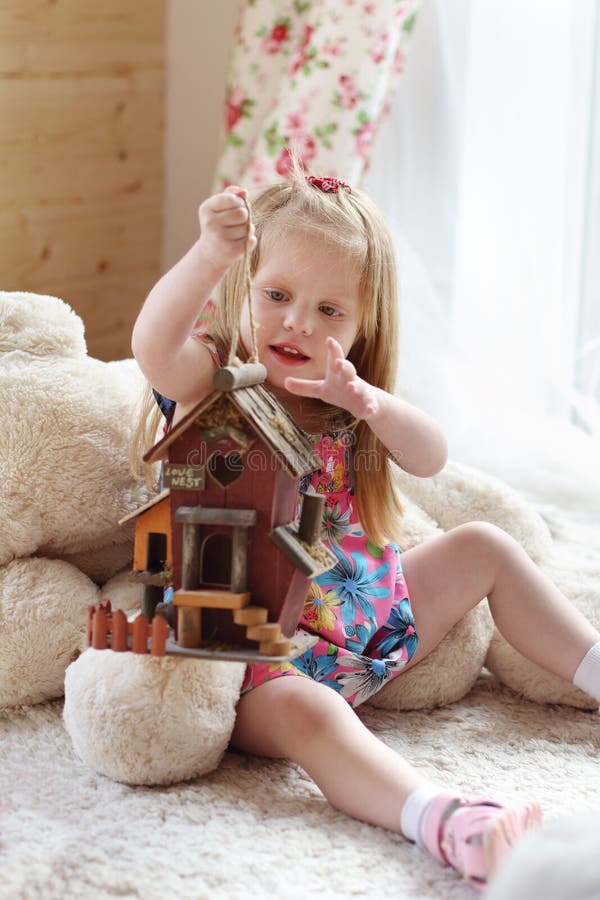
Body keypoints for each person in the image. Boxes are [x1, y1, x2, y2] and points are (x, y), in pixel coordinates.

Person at [131, 170, 600, 892]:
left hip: (371, 620)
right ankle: (442, 819)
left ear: (361, 328)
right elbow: (153, 347)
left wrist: (369, 403)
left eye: (329, 311)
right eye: (277, 296)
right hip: (259, 662)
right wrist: (206, 256)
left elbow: (432, 456)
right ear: (243, 288)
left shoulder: (347, 398)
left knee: (486, 545)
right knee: (312, 714)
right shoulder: (215, 376)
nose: (299, 325)